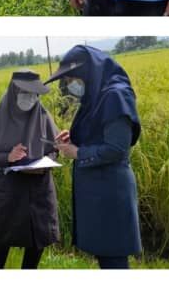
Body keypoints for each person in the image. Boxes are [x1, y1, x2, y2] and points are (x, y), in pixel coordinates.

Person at [48, 45, 142, 269]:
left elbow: (117, 148)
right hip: (98, 193)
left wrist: (78, 152)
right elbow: (98, 133)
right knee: (105, 257)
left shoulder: (116, 95)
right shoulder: (96, 95)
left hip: (110, 192)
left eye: (72, 78)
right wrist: (74, 138)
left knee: (114, 260)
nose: (70, 84)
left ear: (86, 73)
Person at [0, 71, 61, 269]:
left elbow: (54, 149)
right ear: (14, 91)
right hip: (11, 192)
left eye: (35, 95)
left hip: (39, 190)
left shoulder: (42, 115)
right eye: (26, 93)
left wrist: (45, 162)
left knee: (37, 239)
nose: (30, 99)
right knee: (0, 242)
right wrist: (7, 157)